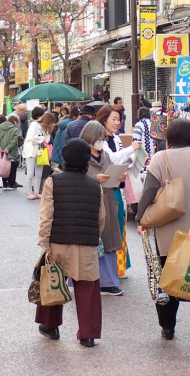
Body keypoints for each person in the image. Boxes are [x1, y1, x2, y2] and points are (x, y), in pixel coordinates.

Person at [136, 119, 190, 347]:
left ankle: (168, 326)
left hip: (168, 229)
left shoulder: (161, 158)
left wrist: (142, 218)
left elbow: (149, 190)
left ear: (169, 138)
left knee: (166, 278)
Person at [36, 138, 106, 347]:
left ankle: (50, 326)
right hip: (86, 243)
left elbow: (46, 216)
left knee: (52, 283)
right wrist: (93, 236)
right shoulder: (95, 185)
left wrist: (44, 243)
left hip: (58, 242)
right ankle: (88, 334)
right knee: (88, 289)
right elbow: (100, 218)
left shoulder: (52, 182)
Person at [80, 121, 125, 296]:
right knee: (91, 243)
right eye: (98, 138)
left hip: (107, 201)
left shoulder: (105, 154)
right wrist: (94, 179)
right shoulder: (80, 155)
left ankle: (107, 282)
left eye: (102, 138)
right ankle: (88, 281)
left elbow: (111, 179)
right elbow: (74, 177)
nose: (101, 141)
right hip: (89, 204)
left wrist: (118, 179)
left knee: (108, 242)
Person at [96, 105, 141, 278]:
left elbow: (120, 159)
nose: (117, 123)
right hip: (105, 187)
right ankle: (110, 269)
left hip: (116, 185)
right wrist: (131, 150)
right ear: (103, 119)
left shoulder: (115, 138)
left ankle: (119, 267)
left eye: (118, 119)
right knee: (109, 227)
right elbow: (111, 159)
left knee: (119, 225)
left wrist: (132, 160)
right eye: (113, 119)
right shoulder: (100, 139)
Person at [22, 109, 54, 200]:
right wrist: (42, 138)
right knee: (30, 172)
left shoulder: (45, 128)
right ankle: (29, 192)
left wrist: (43, 137)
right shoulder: (34, 125)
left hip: (40, 150)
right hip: (31, 149)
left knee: (39, 172)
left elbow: (47, 139)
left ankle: (36, 191)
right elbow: (32, 137)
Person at [0, 115, 22, 190]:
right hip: (11, 151)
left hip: (2, 151)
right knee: (12, 167)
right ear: (14, 121)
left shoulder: (0, 128)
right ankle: (11, 184)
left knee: (4, 167)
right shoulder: (14, 129)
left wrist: (0, 148)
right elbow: (14, 141)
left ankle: (4, 184)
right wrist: (8, 148)